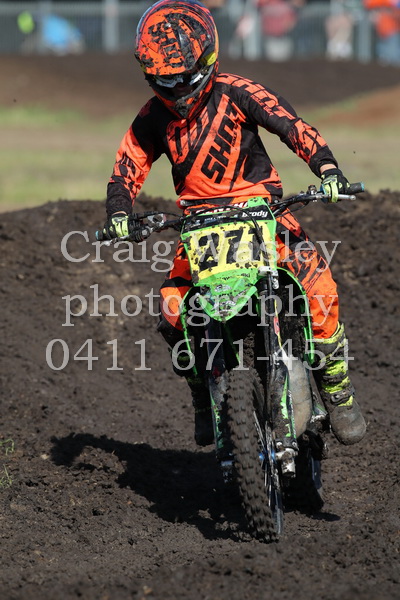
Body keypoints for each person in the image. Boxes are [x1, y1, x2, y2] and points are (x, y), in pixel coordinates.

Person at [102, 0, 366, 449]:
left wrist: (327, 170)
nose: (177, 88)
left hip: (264, 211)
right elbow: (127, 167)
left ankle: (338, 391)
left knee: (319, 287)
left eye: (184, 77)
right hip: (199, 224)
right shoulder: (152, 117)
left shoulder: (237, 91)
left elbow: (292, 127)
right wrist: (119, 215)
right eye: (165, 80)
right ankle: (203, 395)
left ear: (207, 59)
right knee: (172, 310)